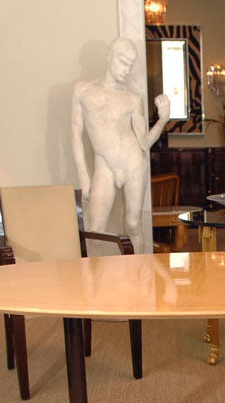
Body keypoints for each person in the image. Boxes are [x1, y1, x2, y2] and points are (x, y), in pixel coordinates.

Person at [71, 37, 171, 253]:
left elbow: (144, 143)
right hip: (104, 164)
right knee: (94, 229)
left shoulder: (133, 98)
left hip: (133, 160)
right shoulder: (83, 90)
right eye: (122, 61)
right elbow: (76, 136)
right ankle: (93, 283)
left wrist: (162, 120)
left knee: (133, 225)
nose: (126, 69)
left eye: (130, 64)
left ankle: (139, 278)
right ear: (110, 57)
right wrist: (84, 177)